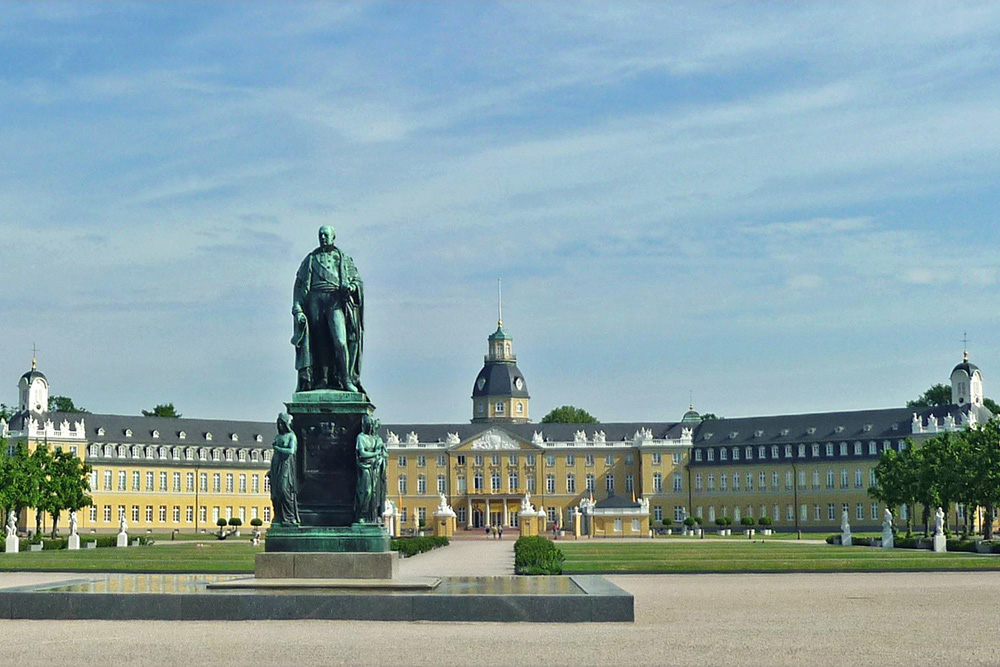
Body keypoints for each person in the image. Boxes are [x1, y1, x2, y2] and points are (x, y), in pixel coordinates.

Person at [292, 226, 365, 393]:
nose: (323, 237)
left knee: (340, 341)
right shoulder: (310, 259)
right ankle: (323, 379)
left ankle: (346, 379)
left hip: (334, 301)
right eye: (320, 235)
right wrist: (298, 308)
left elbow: (357, 280)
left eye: (326, 235)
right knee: (320, 342)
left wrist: (352, 288)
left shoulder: (343, 258)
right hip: (315, 301)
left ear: (334, 237)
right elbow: (299, 285)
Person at [268, 413, 301, 525]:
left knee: (284, 491)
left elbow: (291, 451)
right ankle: (279, 517)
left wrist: (278, 448)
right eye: (279, 423)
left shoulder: (291, 436)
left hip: (286, 466)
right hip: (276, 466)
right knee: (275, 494)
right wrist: (271, 470)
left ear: (286, 424)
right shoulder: (278, 437)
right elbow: (275, 455)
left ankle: (290, 517)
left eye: (282, 423)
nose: (280, 426)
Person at [355, 415, 386, 523]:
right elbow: (362, 453)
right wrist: (376, 453)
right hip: (365, 467)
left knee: (375, 493)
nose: (370, 427)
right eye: (368, 424)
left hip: (375, 468)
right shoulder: (361, 437)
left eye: (371, 425)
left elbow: (383, 452)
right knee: (366, 491)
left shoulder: (376, 439)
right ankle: (361, 514)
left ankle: (372, 516)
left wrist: (380, 458)